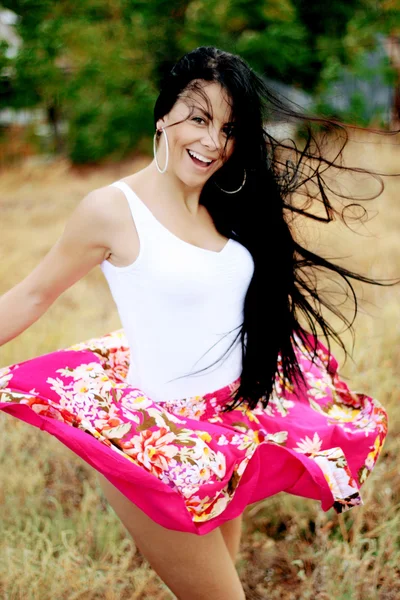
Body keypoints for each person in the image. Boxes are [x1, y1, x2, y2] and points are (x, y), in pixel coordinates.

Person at [0, 46, 390, 600]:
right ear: (164, 114)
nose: (211, 142)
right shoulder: (111, 209)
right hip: (159, 448)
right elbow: (33, 294)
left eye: (228, 128)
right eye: (199, 118)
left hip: (228, 426)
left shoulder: (226, 199)